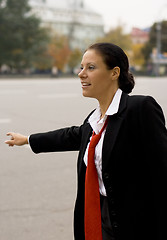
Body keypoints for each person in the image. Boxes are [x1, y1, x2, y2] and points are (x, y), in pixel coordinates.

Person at [5, 42, 167, 240]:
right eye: (81, 67)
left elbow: (162, 171)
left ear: (114, 73)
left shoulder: (140, 108)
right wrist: (28, 140)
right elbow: (70, 136)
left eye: (91, 67)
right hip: (98, 219)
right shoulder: (95, 120)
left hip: (136, 224)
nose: (81, 74)